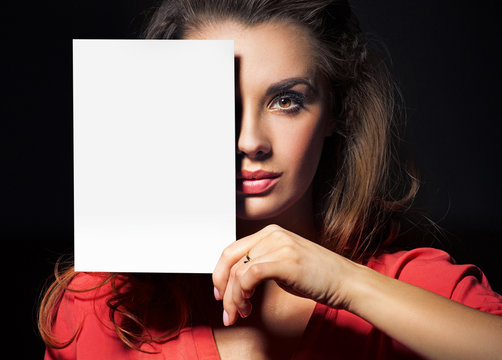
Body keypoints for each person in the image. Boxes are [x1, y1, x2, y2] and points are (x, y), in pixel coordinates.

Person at [38, 0, 502, 359]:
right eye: (214, 101)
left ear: (333, 113)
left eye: (286, 100)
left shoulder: (408, 288)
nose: (249, 140)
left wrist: (345, 283)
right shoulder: (102, 307)